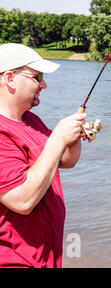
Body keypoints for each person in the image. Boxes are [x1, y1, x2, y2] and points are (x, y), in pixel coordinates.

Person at [0, 43, 87, 268]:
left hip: (46, 258)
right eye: (37, 77)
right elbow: (22, 200)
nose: (44, 84)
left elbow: (66, 161)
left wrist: (73, 136)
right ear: (10, 78)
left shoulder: (32, 120)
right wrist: (58, 138)